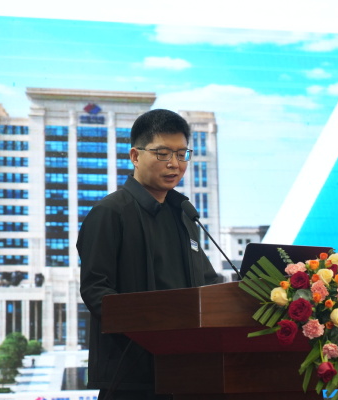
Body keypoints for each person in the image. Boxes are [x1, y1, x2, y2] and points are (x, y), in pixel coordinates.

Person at [78, 109, 219, 400]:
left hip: (187, 371)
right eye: (163, 153)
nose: (174, 164)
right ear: (135, 155)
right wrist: (153, 329)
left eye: (181, 154)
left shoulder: (183, 214)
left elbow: (207, 283)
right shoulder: (110, 212)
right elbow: (96, 290)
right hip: (132, 376)